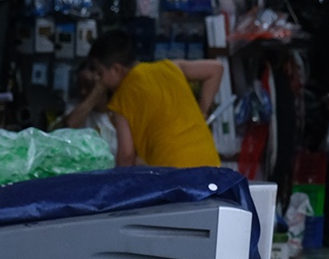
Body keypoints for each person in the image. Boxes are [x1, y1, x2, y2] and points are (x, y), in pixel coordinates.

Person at [66, 31, 223, 169]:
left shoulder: (122, 97)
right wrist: (203, 111)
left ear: (115, 69)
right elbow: (216, 69)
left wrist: (116, 186)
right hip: (210, 163)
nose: (97, 80)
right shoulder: (169, 67)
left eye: (100, 73)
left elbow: (126, 156)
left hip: (174, 173)